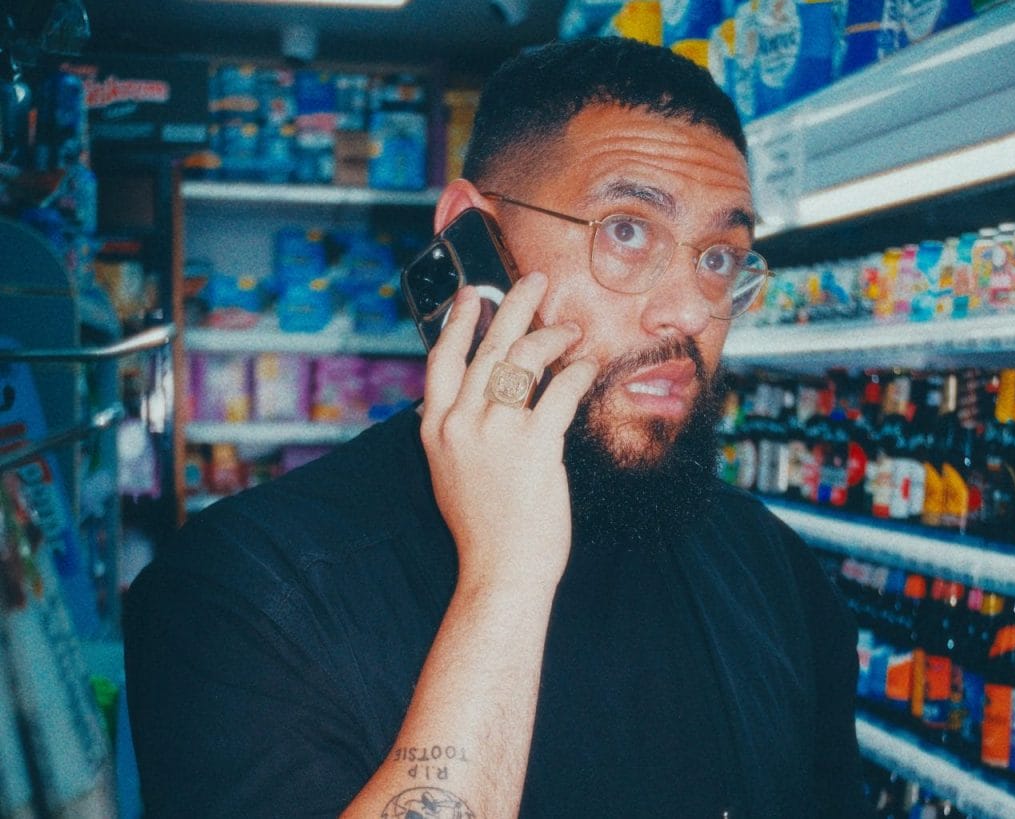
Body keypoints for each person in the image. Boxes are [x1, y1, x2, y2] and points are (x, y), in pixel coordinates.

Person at [124, 36, 867, 818]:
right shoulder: (239, 593)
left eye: (720, 256)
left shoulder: (777, 573)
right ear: (473, 237)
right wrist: (505, 580)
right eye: (626, 230)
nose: (689, 310)